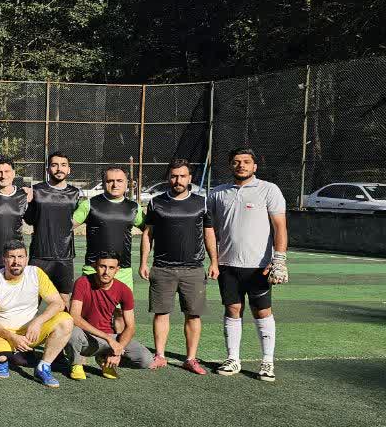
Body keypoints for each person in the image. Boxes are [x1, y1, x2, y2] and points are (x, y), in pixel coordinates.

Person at [207, 148, 289, 382]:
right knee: (232, 310)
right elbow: (209, 228)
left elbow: (280, 226)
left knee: (262, 311)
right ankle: (233, 358)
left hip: (259, 266)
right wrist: (213, 260)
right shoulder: (217, 193)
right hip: (227, 265)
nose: (241, 165)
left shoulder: (269, 189)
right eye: (236, 162)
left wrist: (279, 259)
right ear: (230, 166)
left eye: (246, 162)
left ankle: (267, 362)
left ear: (255, 166)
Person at [139, 159, 217, 375]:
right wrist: (144, 262)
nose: (178, 180)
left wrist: (214, 261)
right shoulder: (156, 202)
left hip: (193, 269)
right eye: (174, 176)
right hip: (162, 268)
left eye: (182, 176)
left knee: (193, 315)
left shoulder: (202, 203)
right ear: (168, 177)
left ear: (189, 178)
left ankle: (190, 359)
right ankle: (160, 355)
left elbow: (209, 233)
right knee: (161, 313)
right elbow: (148, 234)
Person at [0, 241, 73, 388]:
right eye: (11, 257)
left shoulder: (35, 273)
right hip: (2, 335)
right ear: (4, 259)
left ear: (27, 258)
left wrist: (38, 322)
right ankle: (2, 357)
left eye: (20, 257)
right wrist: (12, 337)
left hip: (30, 333)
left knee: (66, 320)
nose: (16, 261)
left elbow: (58, 303)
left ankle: (43, 366)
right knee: (1, 359)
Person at [68, 252, 152, 380]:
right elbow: (75, 317)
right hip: (86, 336)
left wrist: (118, 351)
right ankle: (76, 363)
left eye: (111, 268)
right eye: (102, 266)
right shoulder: (82, 282)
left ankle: (105, 360)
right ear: (95, 266)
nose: (106, 272)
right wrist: (108, 339)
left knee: (145, 360)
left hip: (109, 338)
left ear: (117, 270)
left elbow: (130, 327)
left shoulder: (124, 290)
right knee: (70, 331)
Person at [25, 151, 82, 306]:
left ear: (69, 169)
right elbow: (29, 220)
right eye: (54, 165)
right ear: (48, 169)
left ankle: (63, 324)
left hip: (64, 257)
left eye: (63, 165)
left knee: (64, 301)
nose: (59, 169)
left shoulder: (75, 193)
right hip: (40, 255)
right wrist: (28, 203)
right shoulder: (36, 190)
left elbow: (79, 218)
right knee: (32, 301)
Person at [72, 166, 144, 286]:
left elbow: (150, 230)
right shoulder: (89, 205)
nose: (115, 185)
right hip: (93, 269)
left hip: (123, 271)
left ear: (127, 183)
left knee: (123, 300)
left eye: (119, 181)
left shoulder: (134, 207)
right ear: (103, 183)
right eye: (110, 181)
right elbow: (65, 227)